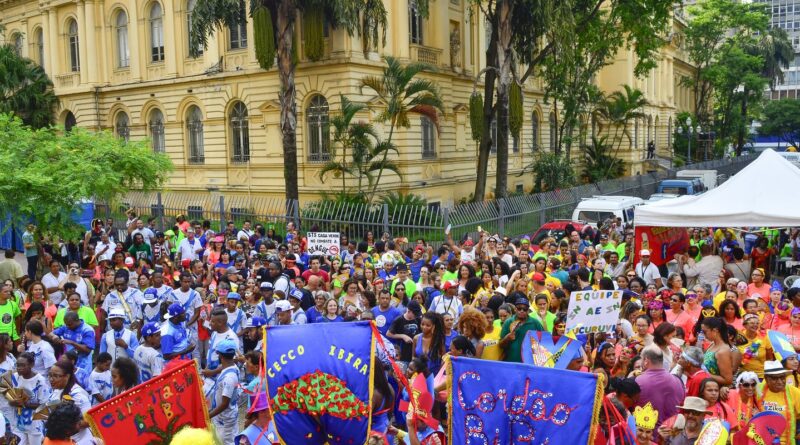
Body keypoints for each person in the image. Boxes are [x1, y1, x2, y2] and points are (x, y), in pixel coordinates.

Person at [635, 345, 685, 436]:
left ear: (646, 361)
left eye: (642, 359)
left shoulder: (638, 382)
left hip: (646, 437)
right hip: (672, 436)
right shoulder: (678, 381)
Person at [46, 360, 93, 445]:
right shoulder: (57, 390)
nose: (51, 379)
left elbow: (89, 421)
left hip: (79, 441)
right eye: (50, 375)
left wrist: (63, 424)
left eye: (56, 376)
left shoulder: (78, 394)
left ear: (67, 376)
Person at [11, 352, 49, 445]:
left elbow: (44, 406)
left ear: (31, 365)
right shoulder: (15, 377)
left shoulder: (40, 381)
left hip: (34, 424)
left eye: (23, 365)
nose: (19, 368)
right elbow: (10, 398)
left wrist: (25, 404)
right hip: (18, 423)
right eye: (18, 365)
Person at [758, 360, 800, 445]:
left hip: (787, 442)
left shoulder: (794, 392)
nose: (780, 382)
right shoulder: (757, 390)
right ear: (766, 378)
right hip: (761, 441)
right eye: (775, 378)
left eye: (782, 377)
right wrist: (723, 389)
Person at [208, 339, 241, 444]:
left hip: (225, 419)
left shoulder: (229, 378)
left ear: (220, 356)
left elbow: (224, 404)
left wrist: (208, 415)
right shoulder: (232, 366)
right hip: (224, 417)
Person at [499, 297, 544, 363]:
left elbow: (544, 341)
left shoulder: (535, 323)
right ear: (515, 309)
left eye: (525, 309)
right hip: (511, 362)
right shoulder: (508, 322)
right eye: (519, 308)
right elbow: (500, 345)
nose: (522, 311)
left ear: (528, 310)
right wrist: (507, 338)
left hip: (529, 362)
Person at [50, 311, 95, 376]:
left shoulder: (87, 330)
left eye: (70, 324)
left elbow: (87, 350)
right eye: (66, 324)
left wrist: (72, 343)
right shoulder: (66, 326)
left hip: (83, 366)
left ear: (77, 320)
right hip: (68, 364)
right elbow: (51, 334)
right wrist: (55, 337)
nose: (68, 326)